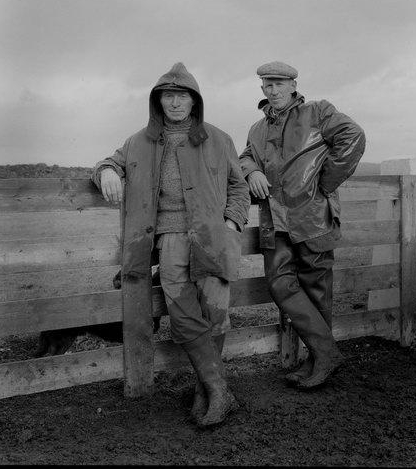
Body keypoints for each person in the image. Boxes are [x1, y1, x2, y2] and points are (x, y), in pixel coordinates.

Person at [91, 62, 250, 427]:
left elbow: (238, 186)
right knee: (182, 315)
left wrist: (231, 223)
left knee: (215, 313)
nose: (175, 103)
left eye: (182, 96)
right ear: (158, 101)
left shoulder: (219, 139)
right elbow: (108, 162)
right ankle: (219, 391)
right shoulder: (138, 142)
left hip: (213, 238)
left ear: (195, 101)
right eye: (168, 96)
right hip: (169, 240)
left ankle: (205, 392)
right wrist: (107, 172)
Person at [239, 61, 365, 389]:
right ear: (262, 88)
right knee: (279, 283)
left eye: (279, 84)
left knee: (316, 290)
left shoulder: (318, 113)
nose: (273, 90)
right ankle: (327, 353)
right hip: (275, 221)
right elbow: (246, 156)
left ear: (293, 85)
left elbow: (353, 136)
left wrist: (325, 183)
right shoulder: (257, 129)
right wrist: (252, 171)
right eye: (268, 85)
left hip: (313, 219)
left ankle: (318, 359)